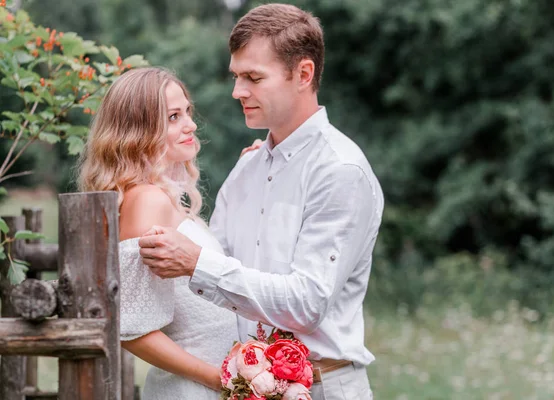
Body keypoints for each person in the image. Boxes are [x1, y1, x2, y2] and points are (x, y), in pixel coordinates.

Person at [139, 4, 384, 399]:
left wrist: (196, 263)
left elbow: (306, 304)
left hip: (322, 385)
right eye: (236, 77)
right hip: (246, 387)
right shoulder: (246, 171)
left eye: (253, 77)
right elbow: (217, 288)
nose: (238, 91)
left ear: (303, 74)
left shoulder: (339, 171)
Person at [78, 67, 239, 400]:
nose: (191, 125)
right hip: (193, 390)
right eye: (174, 116)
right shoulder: (147, 199)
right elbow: (133, 329)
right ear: (139, 129)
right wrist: (218, 379)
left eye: (188, 112)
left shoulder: (161, 197)